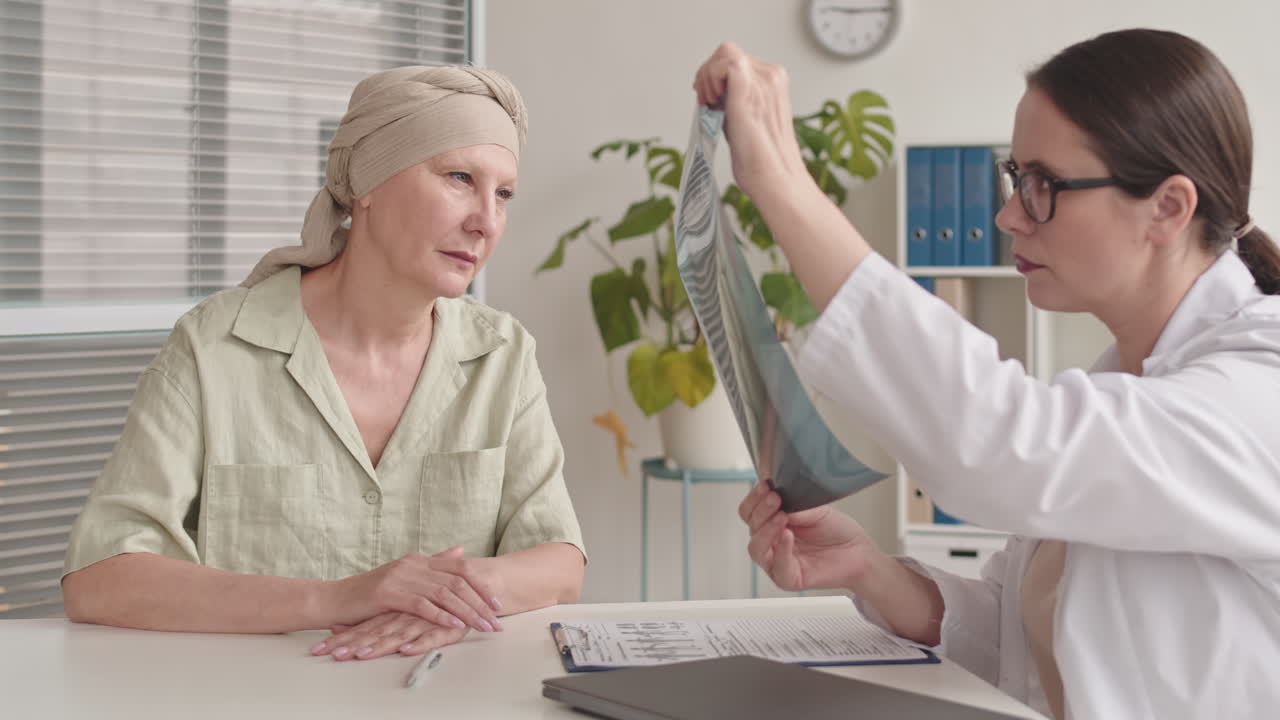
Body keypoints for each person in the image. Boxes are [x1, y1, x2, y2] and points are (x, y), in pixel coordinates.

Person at [695, 29, 1280, 720]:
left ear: (1169, 208)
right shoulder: (1131, 383)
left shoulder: (1257, 388)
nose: (1008, 216)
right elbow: (1024, 641)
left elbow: (1000, 442)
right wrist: (869, 571)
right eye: (1016, 177)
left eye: (1043, 186)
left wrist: (781, 182)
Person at [60, 65, 586, 663]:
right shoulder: (214, 348)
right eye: (459, 178)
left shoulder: (503, 356)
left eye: (504, 194)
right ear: (368, 183)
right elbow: (101, 577)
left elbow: (559, 562)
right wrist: (338, 599)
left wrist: (443, 601)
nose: (486, 221)